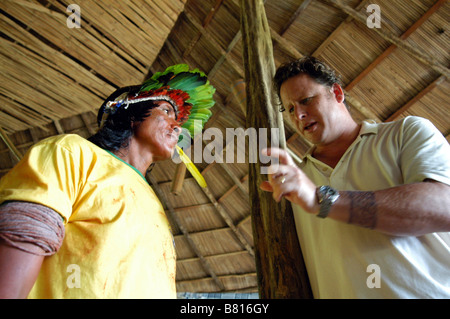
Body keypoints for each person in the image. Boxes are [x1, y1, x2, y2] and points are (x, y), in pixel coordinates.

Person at [0, 64, 215, 298]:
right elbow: (28, 232)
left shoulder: (154, 203)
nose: (176, 127)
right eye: (166, 111)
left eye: (180, 123)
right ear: (132, 114)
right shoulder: (73, 152)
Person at [260, 56, 450, 298]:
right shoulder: (293, 183)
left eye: (306, 100)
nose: (298, 115)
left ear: (337, 93)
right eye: (289, 109)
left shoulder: (405, 134)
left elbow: (444, 206)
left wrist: (323, 200)